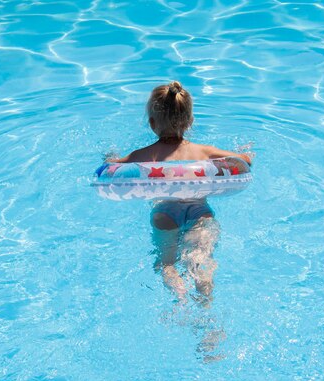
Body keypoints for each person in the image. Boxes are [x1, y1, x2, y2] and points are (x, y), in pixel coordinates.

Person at [108, 81, 252, 302]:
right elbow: (242, 162)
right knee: (199, 260)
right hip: (199, 213)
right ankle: (205, 308)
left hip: (164, 213)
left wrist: (109, 157)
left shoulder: (145, 154)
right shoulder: (203, 151)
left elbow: (113, 168)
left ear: (152, 123)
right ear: (190, 121)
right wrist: (245, 152)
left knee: (166, 264)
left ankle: (180, 300)